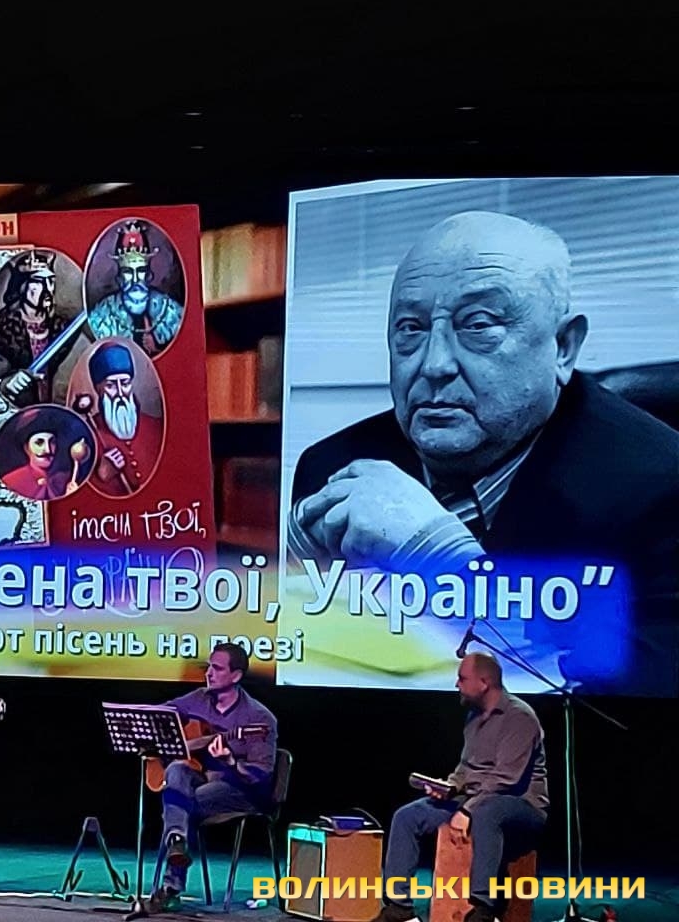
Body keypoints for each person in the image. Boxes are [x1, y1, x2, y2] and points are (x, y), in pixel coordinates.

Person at [288, 210, 679, 694]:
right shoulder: (333, 465)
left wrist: (448, 565)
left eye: (478, 324)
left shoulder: (663, 488)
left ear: (563, 347)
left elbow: (615, 716)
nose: (434, 365)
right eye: (410, 328)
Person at [371, 653, 548, 922]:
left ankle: (483, 908)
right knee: (407, 816)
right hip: (476, 798)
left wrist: (467, 810)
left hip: (521, 804)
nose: (457, 684)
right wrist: (450, 787)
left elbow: (506, 779)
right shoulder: (473, 717)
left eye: (463, 679)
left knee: (487, 813)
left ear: (484, 683)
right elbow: (466, 769)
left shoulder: (520, 718)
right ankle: (399, 908)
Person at [148, 643, 278, 913]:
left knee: (181, 802)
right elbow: (158, 716)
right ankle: (177, 841)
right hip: (204, 779)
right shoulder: (199, 698)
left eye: (217, 668)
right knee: (176, 771)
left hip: (241, 791)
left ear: (236, 675)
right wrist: (169, 744)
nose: (209, 673)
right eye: (209, 667)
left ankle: (170, 888)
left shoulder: (258, 718)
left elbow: (261, 776)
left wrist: (231, 761)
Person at [0, 250, 78, 407]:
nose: (47, 289)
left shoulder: (63, 328)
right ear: (22, 287)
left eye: (51, 281)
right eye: (38, 282)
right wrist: (4, 384)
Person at [75, 341, 164, 496]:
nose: (120, 394)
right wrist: (101, 475)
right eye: (111, 385)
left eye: (125, 383)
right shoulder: (86, 436)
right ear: (98, 389)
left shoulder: (156, 427)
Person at [87, 220, 183, 356]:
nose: (135, 279)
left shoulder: (169, 310)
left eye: (141, 270)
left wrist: (156, 347)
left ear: (148, 273)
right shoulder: (103, 315)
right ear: (119, 276)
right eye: (128, 271)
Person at [0, 406, 93, 501]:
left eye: (52, 442)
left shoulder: (66, 478)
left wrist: (72, 498)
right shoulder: (12, 481)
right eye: (39, 443)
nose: (47, 449)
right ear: (26, 448)